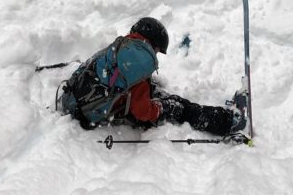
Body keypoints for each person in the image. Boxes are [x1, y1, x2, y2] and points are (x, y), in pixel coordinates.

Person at [58, 17, 248, 138]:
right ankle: (229, 121)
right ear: (154, 43)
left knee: (155, 89)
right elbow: (142, 111)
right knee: (180, 106)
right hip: (104, 108)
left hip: (78, 97)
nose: (155, 55)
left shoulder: (122, 46)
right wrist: (161, 108)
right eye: (157, 51)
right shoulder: (139, 60)